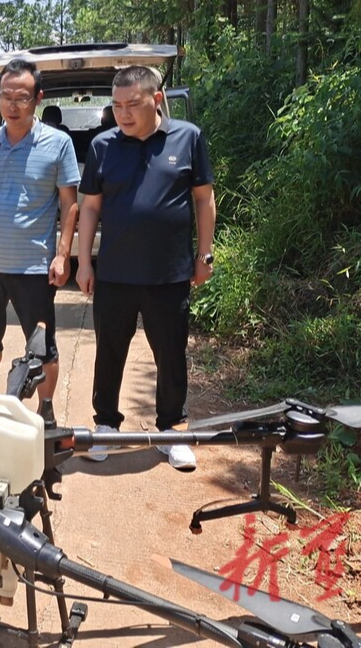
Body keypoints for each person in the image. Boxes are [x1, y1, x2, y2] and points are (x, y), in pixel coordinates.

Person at [75, 65, 215, 471]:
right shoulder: (103, 146)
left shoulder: (187, 138)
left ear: (156, 100)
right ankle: (106, 426)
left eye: (132, 104)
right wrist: (84, 262)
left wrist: (204, 255)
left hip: (169, 272)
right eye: (117, 106)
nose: (123, 113)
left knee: (170, 354)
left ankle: (173, 430)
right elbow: (90, 208)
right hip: (115, 273)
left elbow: (204, 200)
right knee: (109, 352)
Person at [0, 58, 79, 424]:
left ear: (37, 99)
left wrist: (63, 256)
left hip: (34, 268)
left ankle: (45, 410)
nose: (12, 104)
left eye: (21, 97)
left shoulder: (59, 144)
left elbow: (70, 204)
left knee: (42, 345)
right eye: (6, 96)